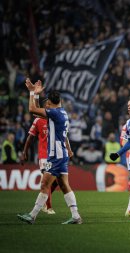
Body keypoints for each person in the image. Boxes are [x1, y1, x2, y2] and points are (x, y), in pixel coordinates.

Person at [17, 79, 82, 224]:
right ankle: (76, 216)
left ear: (50, 104)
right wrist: (36, 96)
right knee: (64, 186)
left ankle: (32, 215)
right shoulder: (62, 113)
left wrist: (32, 92)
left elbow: (32, 110)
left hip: (56, 156)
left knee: (44, 185)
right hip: (62, 154)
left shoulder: (55, 114)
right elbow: (38, 113)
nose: (46, 106)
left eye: (47, 104)